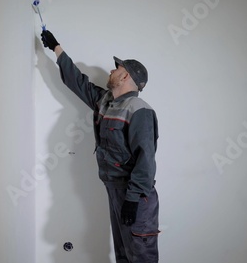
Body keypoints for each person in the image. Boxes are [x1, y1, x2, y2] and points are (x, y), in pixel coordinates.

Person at [41, 30, 160, 263]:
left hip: (135, 195)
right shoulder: (106, 102)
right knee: (123, 254)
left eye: (117, 69)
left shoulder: (139, 109)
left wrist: (133, 199)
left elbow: (146, 161)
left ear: (126, 77)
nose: (112, 71)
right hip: (114, 189)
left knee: (141, 256)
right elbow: (77, 81)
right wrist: (57, 48)